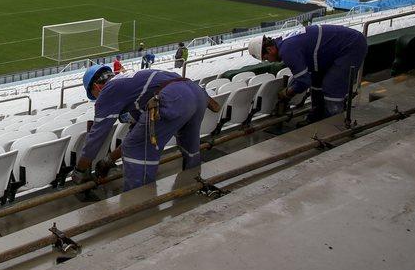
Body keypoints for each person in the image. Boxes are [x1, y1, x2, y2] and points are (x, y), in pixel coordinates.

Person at [72, 65, 217, 192]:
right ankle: (193, 183)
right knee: (189, 145)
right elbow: (136, 135)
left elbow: (97, 135)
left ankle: (140, 198)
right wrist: (109, 160)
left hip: (173, 98)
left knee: (135, 151)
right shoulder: (135, 85)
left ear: (97, 87)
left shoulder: (108, 90)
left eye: (95, 96)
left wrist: (81, 169)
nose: (98, 99)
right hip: (196, 94)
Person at [248, 24, 368, 122]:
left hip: (351, 46)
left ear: (270, 49)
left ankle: (334, 122)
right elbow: (306, 76)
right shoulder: (285, 43)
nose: (270, 61)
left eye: (267, 58)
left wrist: (288, 93)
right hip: (338, 48)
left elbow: (303, 81)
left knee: (332, 85)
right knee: (316, 80)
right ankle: (318, 114)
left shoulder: (287, 50)